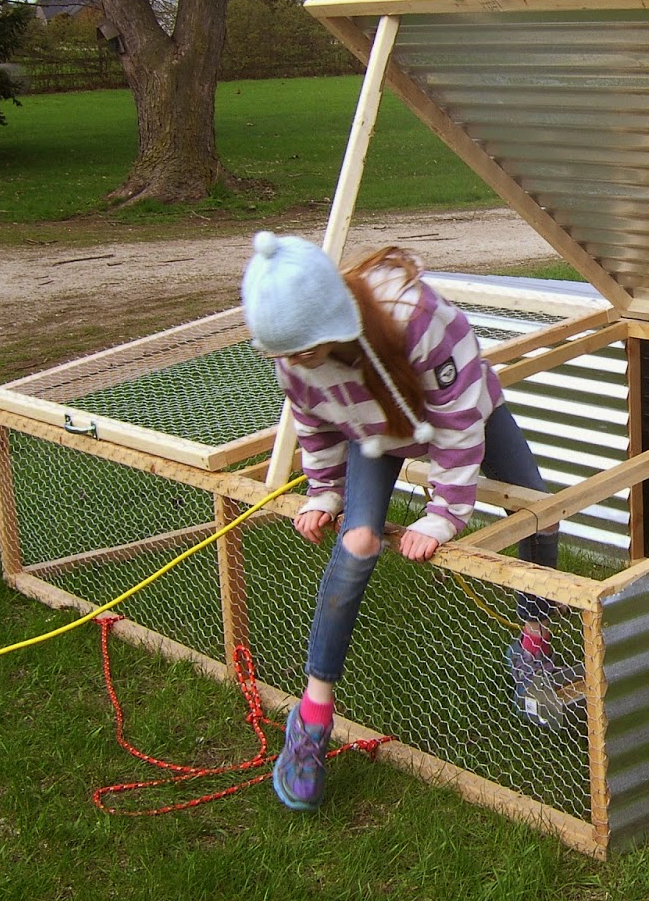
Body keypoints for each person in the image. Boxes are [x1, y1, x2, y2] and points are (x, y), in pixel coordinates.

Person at [240, 232, 562, 812]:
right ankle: (310, 718)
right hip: (374, 436)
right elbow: (314, 424)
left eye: (305, 350)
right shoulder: (294, 356)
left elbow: (460, 422)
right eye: (285, 354)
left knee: (538, 510)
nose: (295, 364)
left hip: (458, 412)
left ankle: (533, 648)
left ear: (335, 319)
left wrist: (445, 513)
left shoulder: (418, 319)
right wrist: (324, 493)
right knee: (359, 541)